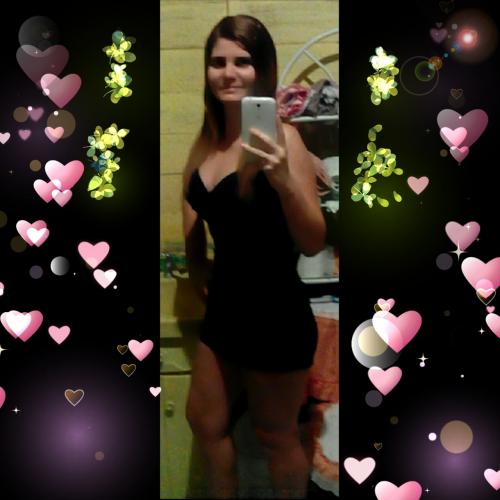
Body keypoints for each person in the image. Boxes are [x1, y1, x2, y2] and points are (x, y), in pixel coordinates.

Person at [182, 14, 326, 499]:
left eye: (242, 61)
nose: (228, 72)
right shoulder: (207, 141)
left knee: (275, 435)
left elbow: (313, 240)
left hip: (274, 312)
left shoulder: (284, 139)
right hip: (225, 309)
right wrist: (196, 261)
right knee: (204, 422)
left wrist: (285, 182)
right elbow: (197, 203)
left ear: (262, 70)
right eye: (217, 61)